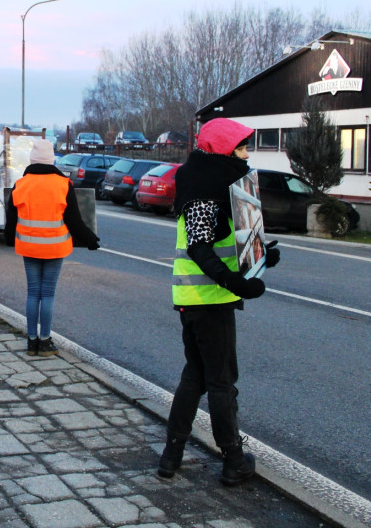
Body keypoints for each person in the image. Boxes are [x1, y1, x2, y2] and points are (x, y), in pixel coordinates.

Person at [158, 118, 280, 486]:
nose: (246, 155)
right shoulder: (203, 189)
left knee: (195, 377)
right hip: (207, 299)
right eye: (241, 148)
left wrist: (259, 258)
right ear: (225, 149)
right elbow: (198, 247)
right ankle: (233, 460)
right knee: (222, 381)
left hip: (197, 298)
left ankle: (171, 456)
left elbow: (229, 241)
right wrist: (236, 284)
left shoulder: (213, 184)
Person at [4, 139, 100, 357]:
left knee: (32, 293)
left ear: (32, 160)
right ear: (52, 160)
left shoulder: (21, 184)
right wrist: (90, 239)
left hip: (28, 247)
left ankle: (31, 341)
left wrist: (10, 240)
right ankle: (45, 341)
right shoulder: (63, 185)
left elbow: (11, 219)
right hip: (55, 248)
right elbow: (74, 222)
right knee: (47, 294)